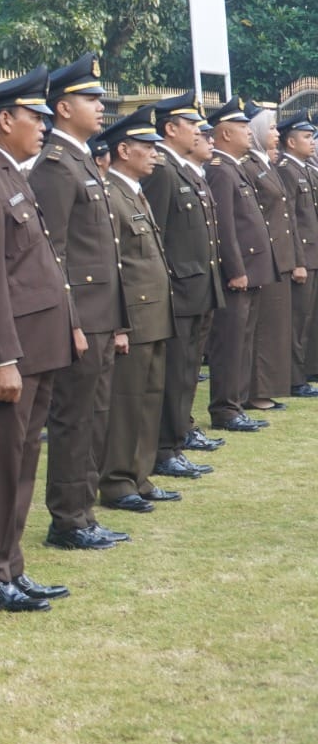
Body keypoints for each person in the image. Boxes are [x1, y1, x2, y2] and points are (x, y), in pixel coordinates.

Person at [0, 66, 78, 613]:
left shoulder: (9, 171)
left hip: (38, 345)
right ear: (6, 119)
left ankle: (9, 564)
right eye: (36, 117)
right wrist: (1, 357)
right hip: (13, 352)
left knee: (23, 459)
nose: (45, 127)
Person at [28, 54, 127, 552]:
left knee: (96, 414)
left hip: (102, 316)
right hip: (80, 319)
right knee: (74, 418)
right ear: (64, 107)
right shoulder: (55, 166)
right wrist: (70, 322)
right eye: (91, 98)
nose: (101, 106)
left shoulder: (82, 159)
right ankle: (67, 518)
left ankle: (83, 512)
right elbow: (52, 253)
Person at [94, 109, 181, 513]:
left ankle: (139, 475)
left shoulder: (132, 190)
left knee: (148, 399)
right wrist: (119, 324)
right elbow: (112, 266)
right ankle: (116, 481)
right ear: (123, 150)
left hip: (154, 315)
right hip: (134, 316)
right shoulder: (110, 193)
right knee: (127, 403)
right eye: (146, 148)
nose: (154, 155)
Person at [141, 96, 224, 479]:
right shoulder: (161, 170)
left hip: (198, 287)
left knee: (187, 371)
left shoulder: (182, 170)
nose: (199, 131)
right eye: (191, 124)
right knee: (174, 373)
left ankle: (178, 438)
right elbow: (154, 235)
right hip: (177, 291)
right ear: (170, 128)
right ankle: (165, 448)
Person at [204, 96, 273, 433]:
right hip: (238, 274)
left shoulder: (234, 167)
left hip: (250, 272)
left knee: (242, 342)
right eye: (243, 126)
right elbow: (225, 226)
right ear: (225, 133)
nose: (250, 132)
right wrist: (236, 270)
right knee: (230, 344)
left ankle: (237, 403)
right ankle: (225, 409)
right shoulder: (219, 170)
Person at [245, 105, 297, 411]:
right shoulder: (251, 166)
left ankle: (267, 388)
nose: (277, 133)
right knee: (264, 329)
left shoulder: (264, 163)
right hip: (265, 258)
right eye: (273, 128)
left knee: (276, 327)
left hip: (280, 255)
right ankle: (257, 391)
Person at [281, 110, 318, 395]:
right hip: (304, 256)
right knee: (298, 319)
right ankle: (294, 377)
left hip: (313, 254)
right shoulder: (287, 169)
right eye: (307, 137)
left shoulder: (305, 168)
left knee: (311, 317)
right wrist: (297, 261)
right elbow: (290, 220)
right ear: (291, 142)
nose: (313, 142)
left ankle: (308, 368)